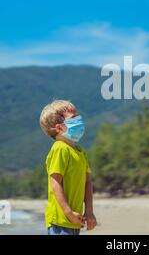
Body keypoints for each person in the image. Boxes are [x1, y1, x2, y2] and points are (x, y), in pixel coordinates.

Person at [40, 100, 97, 235]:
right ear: (59, 128)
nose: (79, 120)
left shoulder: (80, 151)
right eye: (73, 118)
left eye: (78, 116)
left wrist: (89, 211)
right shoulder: (60, 149)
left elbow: (87, 182)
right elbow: (55, 183)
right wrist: (68, 212)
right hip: (60, 221)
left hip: (74, 220)